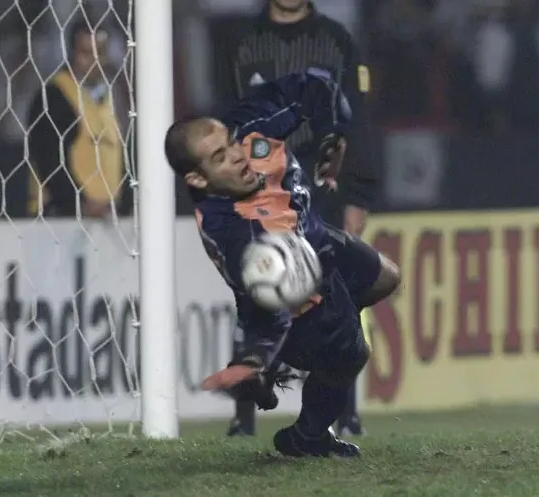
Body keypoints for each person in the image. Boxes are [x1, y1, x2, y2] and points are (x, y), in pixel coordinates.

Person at [164, 69, 399, 457]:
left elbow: (318, 84)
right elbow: (268, 294)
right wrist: (260, 351)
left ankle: (281, 367)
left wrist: (333, 134)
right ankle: (307, 436)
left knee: (388, 277)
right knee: (351, 355)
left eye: (230, 142)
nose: (237, 156)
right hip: (294, 297)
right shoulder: (234, 231)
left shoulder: (251, 122)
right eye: (219, 158)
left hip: (318, 239)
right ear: (198, 179)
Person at [219, 0, 375, 438]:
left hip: (322, 181)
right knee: (257, 287)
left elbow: (358, 119)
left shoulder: (336, 40)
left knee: (339, 290)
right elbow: (222, 122)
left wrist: (358, 193)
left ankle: (345, 410)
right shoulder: (242, 42)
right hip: (259, 188)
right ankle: (244, 413)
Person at [27, 22, 124, 218]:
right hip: (61, 216)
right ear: (72, 53)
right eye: (87, 53)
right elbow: (48, 158)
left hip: (107, 216)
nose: (95, 61)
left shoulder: (112, 98)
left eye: (101, 53)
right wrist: (78, 203)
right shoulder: (55, 95)